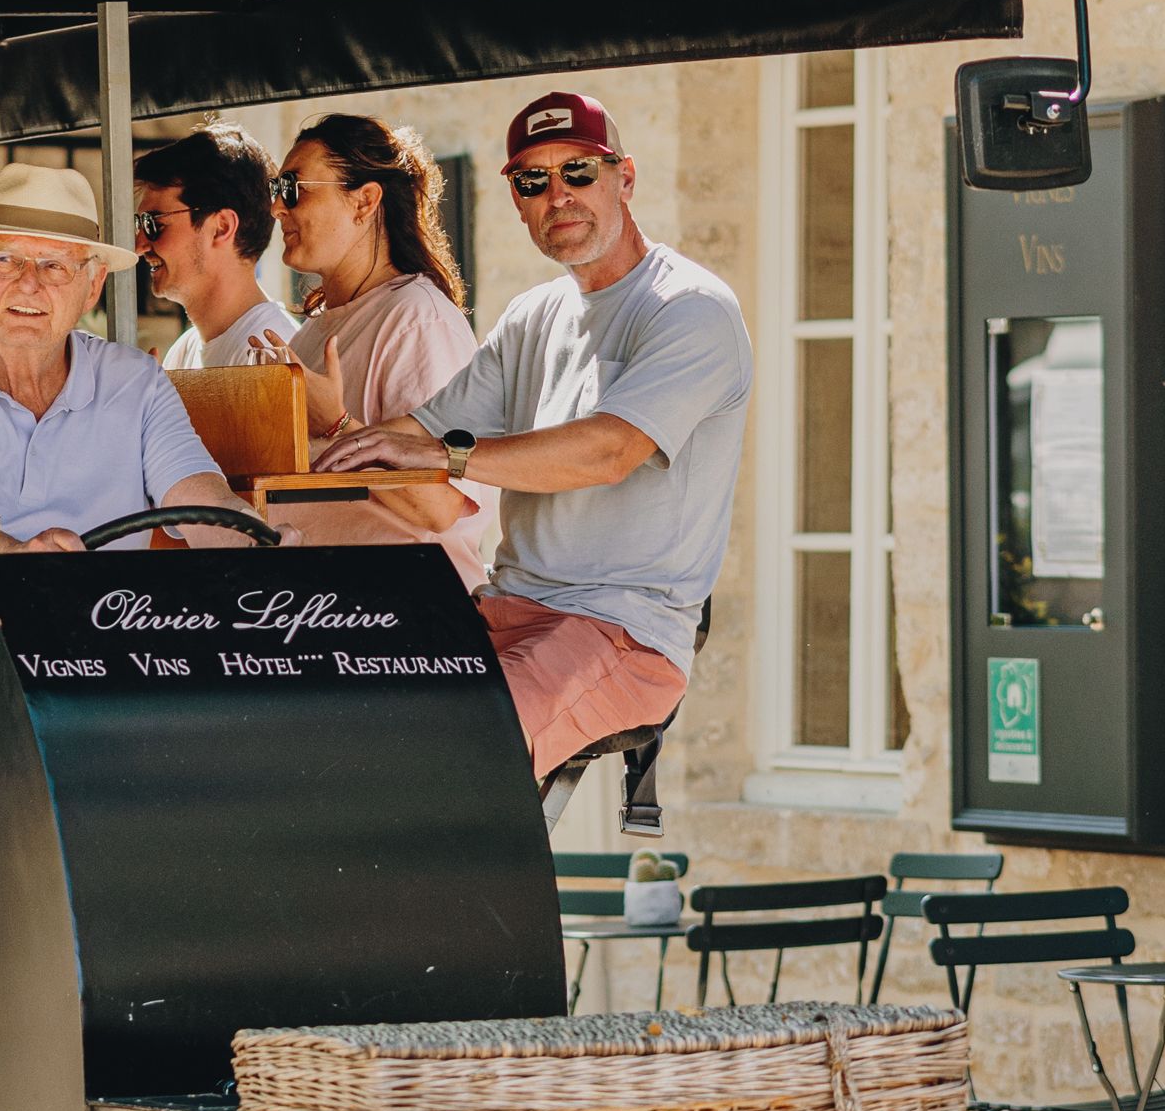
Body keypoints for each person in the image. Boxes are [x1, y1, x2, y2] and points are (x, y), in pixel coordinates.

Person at [0, 164, 243, 1015]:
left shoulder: (134, 382)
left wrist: (264, 564)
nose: (28, 286)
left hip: (85, 672)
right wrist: (15, 556)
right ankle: (40, 1018)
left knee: (207, 793)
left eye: (54, 265)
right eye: (6, 262)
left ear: (93, 283)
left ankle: (161, 1017)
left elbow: (197, 498)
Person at [323, 89, 750, 785]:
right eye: (533, 180)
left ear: (626, 178)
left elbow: (609, 452)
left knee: (457, 760)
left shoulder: (689, 308)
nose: (559, 195)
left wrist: (450, 457)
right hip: (505, 611)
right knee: (335, 715)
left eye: (579, 171)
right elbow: (415, 434)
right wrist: (328, 433)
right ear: (517, 202)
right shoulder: (532, 315)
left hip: (620, 627)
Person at [271, 113, 489, 579]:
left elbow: (443, 507)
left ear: (365, 201)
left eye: (293, 188)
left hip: (406, 621)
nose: (276, 208)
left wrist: (336, 425)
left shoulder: (416, 319)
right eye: (275, 190)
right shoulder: (312, 332)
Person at [136, 127, 297, 369]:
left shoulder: (271, 354)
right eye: (139, 224)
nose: (139, 245)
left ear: (221, 227)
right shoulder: (184, 349)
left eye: (154, 224)